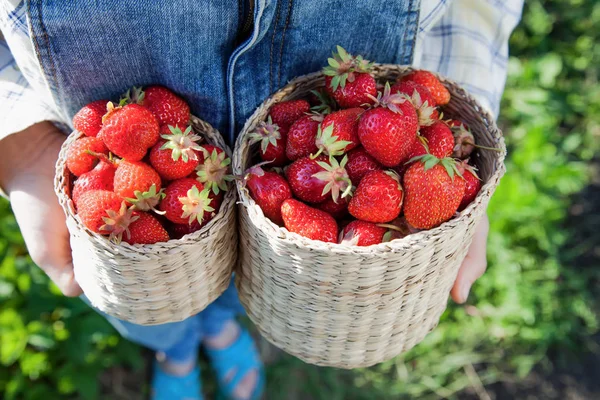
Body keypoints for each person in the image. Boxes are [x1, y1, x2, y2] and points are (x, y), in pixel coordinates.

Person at [0, 1, 523, 399]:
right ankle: (176, 352)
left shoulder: (379, 133)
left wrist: (457, 132)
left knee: (249, 290)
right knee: (150, 303)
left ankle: (221, 328)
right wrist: (20, 143)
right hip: (136, 170)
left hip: (295, 178)